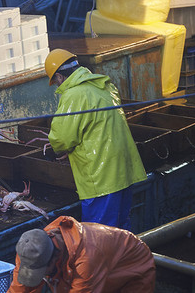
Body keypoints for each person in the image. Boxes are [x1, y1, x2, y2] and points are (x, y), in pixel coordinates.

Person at [43, 49, 147, 229]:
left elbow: (61, 139)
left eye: (56, 81)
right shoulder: (104, 86)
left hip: (102, 178)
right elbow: (98, 128)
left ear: (59, 77)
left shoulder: (74, 94)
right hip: (123, 170)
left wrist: (60, 149)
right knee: (121, 231)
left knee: (98, 234)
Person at [8, 216, 155, 293]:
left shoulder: (87, 257)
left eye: (42, 272)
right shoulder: (30, 249)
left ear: (54, 258)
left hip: (133, 265)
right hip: (96, 268)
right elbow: (19, 288)